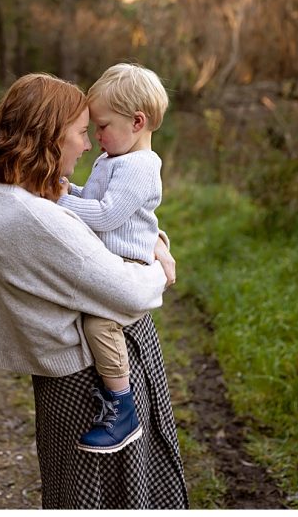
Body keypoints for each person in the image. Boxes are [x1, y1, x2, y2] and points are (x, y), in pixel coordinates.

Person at [0, 72, 186, 508]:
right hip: (86, 382)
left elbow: (114, 224)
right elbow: (127, 292)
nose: (88, 145)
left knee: (82, 491)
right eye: (82, 132)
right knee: (106, 496)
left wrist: (153, 240)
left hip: (74, 374)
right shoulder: (35, 218)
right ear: (49, 137)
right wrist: (160, 267)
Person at [56, 63, 169, 453]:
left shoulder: (140, 167)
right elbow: (96, 199)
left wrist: (60, 202)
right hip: (111, 260)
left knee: (98, 324)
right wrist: (71, 190)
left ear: (137, 122)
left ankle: (123, 408)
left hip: (128, 266)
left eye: (102, 126)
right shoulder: (115, 159)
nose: (96, 137)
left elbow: (106, 215)